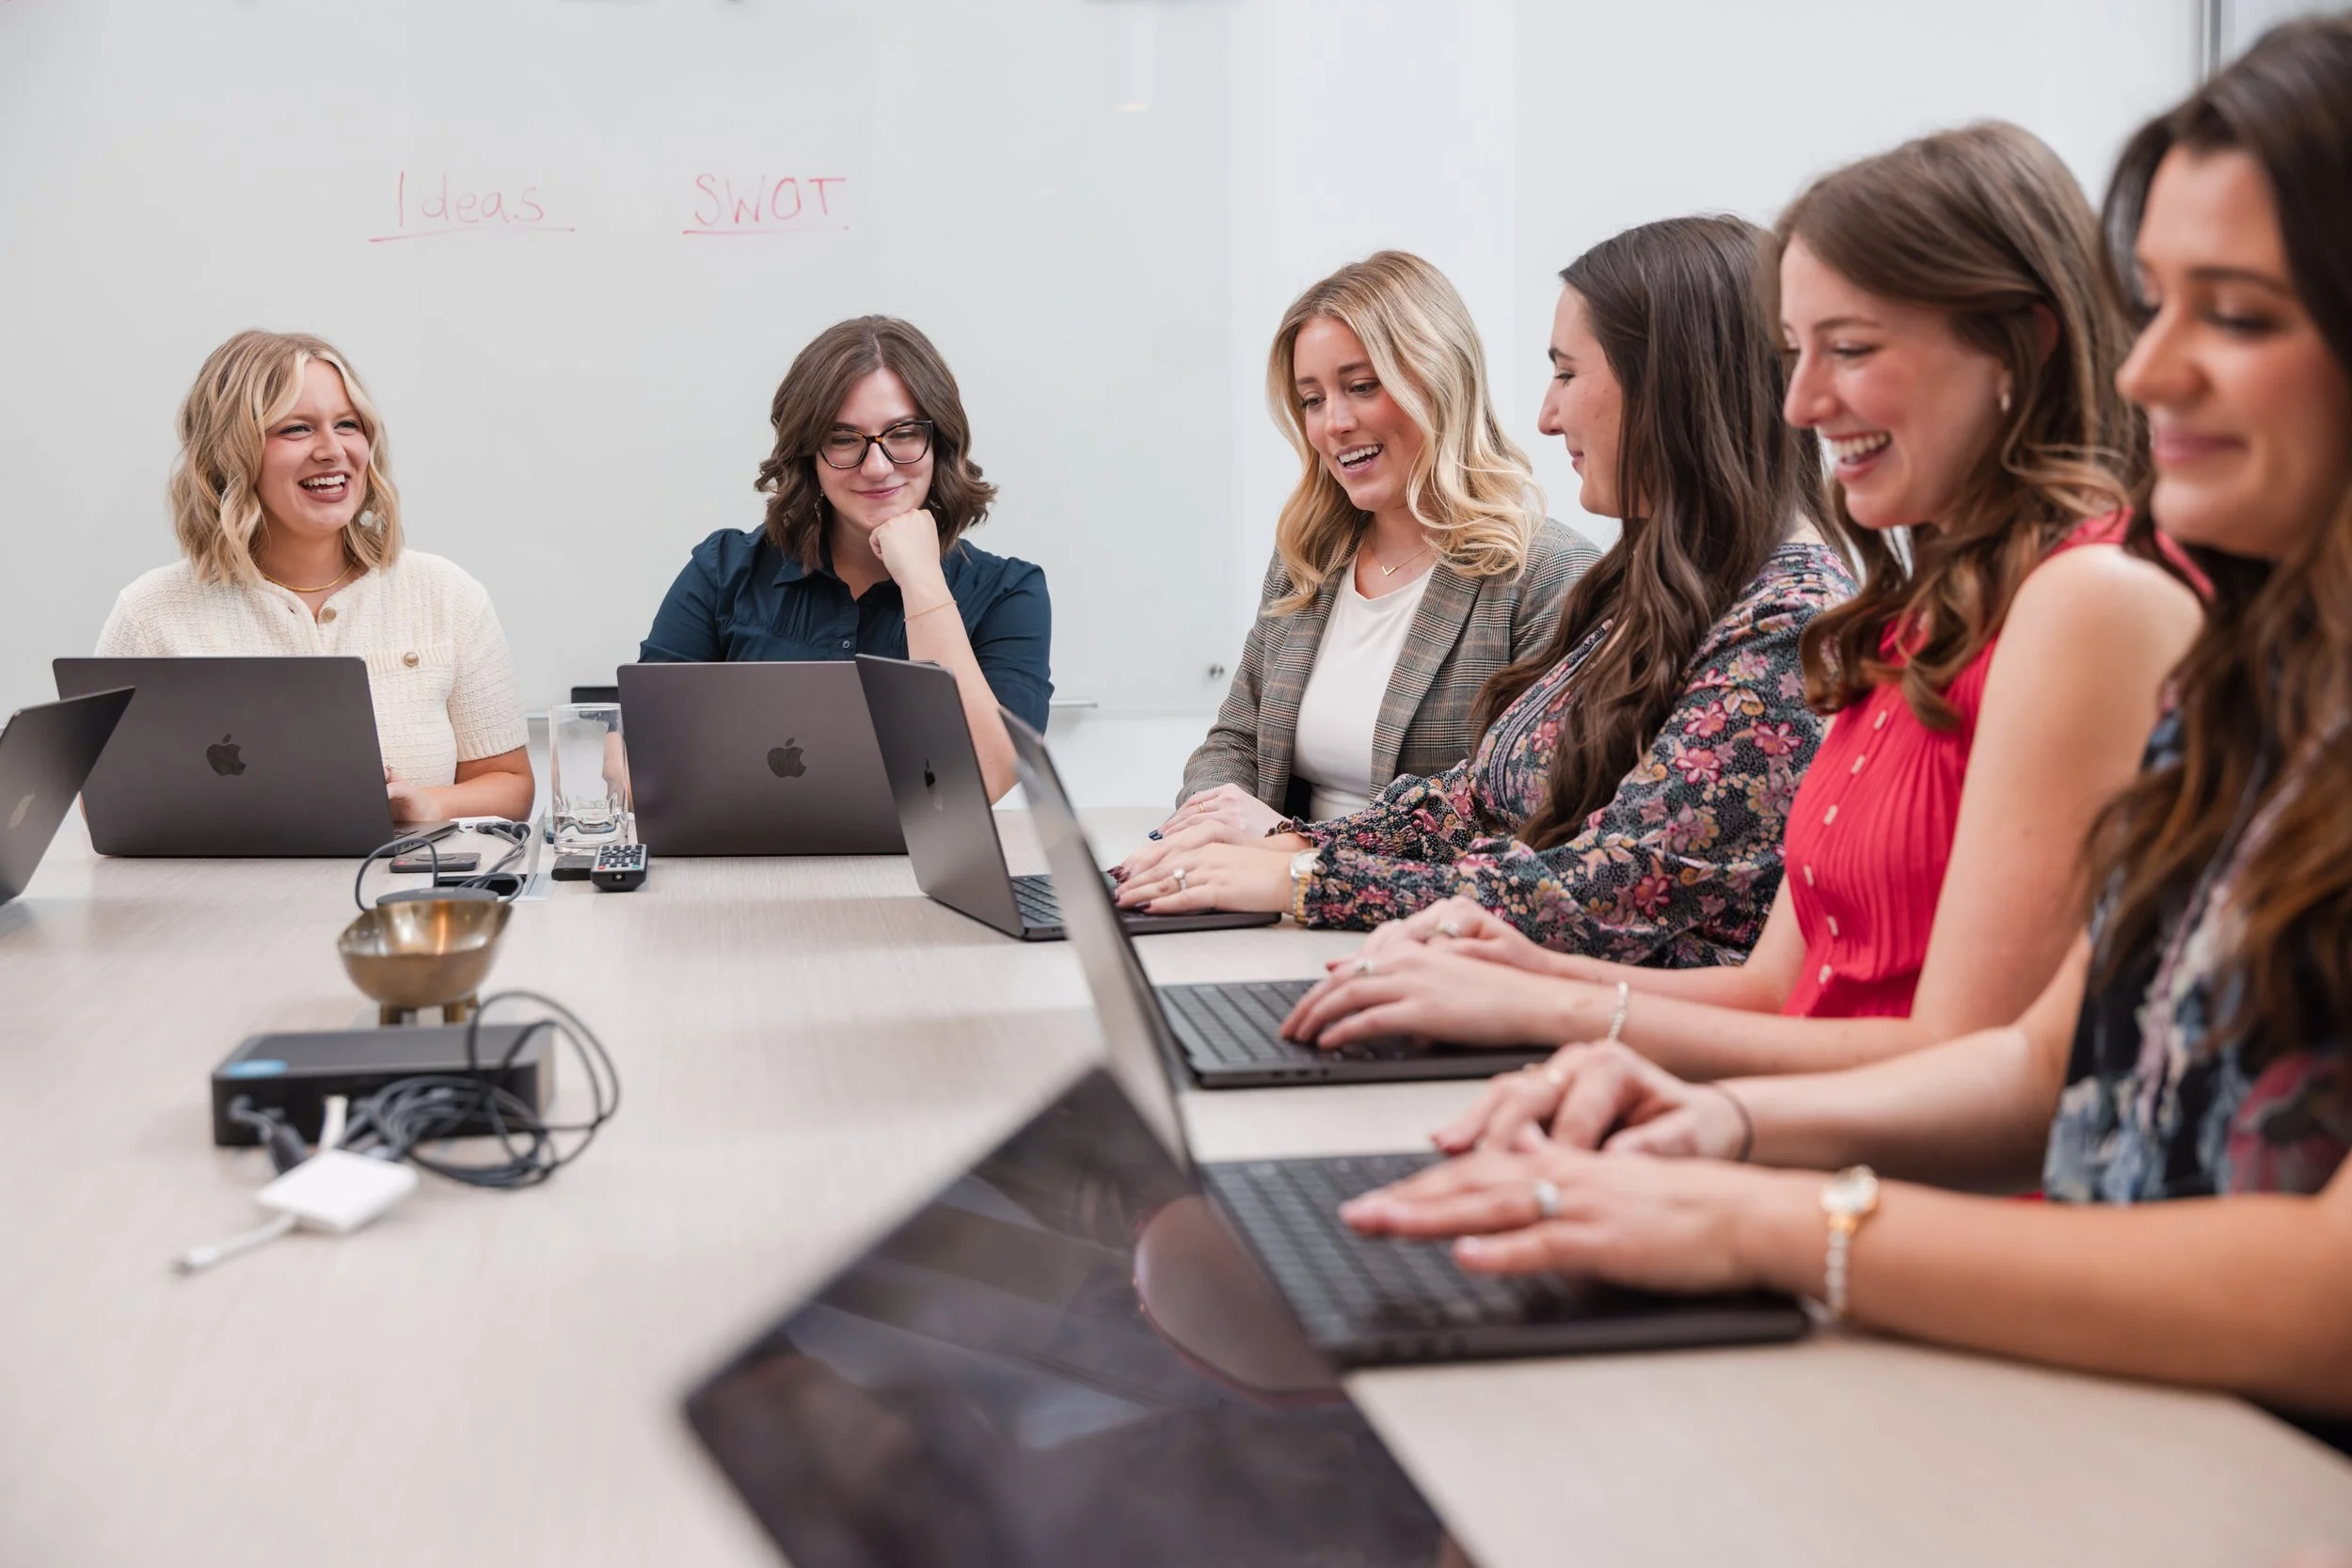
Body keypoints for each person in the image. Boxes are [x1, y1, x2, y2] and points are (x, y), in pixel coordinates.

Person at [1343, 18, 2352, 1439]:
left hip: (2164, 1386)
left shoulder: (2098, 604)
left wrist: (1773, 1213)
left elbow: (2324, 1289)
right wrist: (1725, 1133)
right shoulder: (2252, 678)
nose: (2149, 372)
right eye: (2160, 305)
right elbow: (2030, 1064)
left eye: (2235, 314)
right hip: (2111, 1366)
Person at [1279, 124, 2203, 1076]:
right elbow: (1782, 991)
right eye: (1795, 352)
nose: (1798, 403)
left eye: (1844, 348)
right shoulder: (1897, 619)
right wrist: (1523, 988)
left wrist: (1583, 1032)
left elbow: (1966, 1065)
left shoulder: (2068, 601)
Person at [1119, 217, 1852, 970]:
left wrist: (1304, 874)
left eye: (1567, 373)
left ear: (1672, 381)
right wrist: (1277, 846)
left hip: (1613, 1042)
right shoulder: (1648, 586)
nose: (1545, 414)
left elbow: (1605, 889)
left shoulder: (1785, 620)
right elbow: (1473, 800)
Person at [1168, 251, 1596, 832]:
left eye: (1362, 387)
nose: (1333, 424)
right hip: (1270, 900)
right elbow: (1237, 739)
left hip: (1409, 909)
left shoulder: (1549, 575)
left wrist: (1286, 845)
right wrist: (1202, 826)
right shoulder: (1310, 555)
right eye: (1312, 400)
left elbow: (1523, 817)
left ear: (1439, 380)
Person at [96, 330, 532, 824]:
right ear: (230, 452)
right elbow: (107, 806)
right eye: (296, 429)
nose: (332, 450)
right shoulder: (151, 612)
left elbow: (510, 785)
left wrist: (425, 805)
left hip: (402, 896)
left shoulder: (447, 594)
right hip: (222, 899)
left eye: (347, 425)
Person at [641, 316, 1049, 800]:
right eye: (843, 439)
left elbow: (987, 779)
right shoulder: (723, 570)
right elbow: (633, 755)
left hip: (911, 876)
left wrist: (921, 579)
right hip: (742, 868)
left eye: (903, 433)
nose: (877, 466)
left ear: (940, 440)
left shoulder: (1009, 592)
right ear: (808, 454)